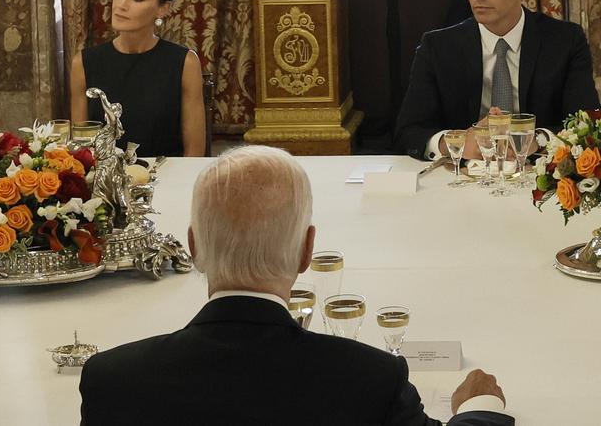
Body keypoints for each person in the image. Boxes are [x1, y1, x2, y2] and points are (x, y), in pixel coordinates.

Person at [79, 145, 513, 426]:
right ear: (307, 252)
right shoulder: (371, 380)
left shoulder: (112, 381)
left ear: (194, 246)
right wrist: (480, 407)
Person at [395, 0, 598, 160]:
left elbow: (587, 123)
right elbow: (407, 133)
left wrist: (535, 139)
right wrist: (456, 142)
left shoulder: (565, 41)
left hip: (535, 175)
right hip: (463, 178)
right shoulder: (438, 47)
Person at [70, 0, 207, 157]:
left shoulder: (184, 63)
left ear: (162, 9)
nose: (121, 5)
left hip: (169, 182)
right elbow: (81, 152)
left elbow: (194, 153)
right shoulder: (83, 63)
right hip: (104, 185)